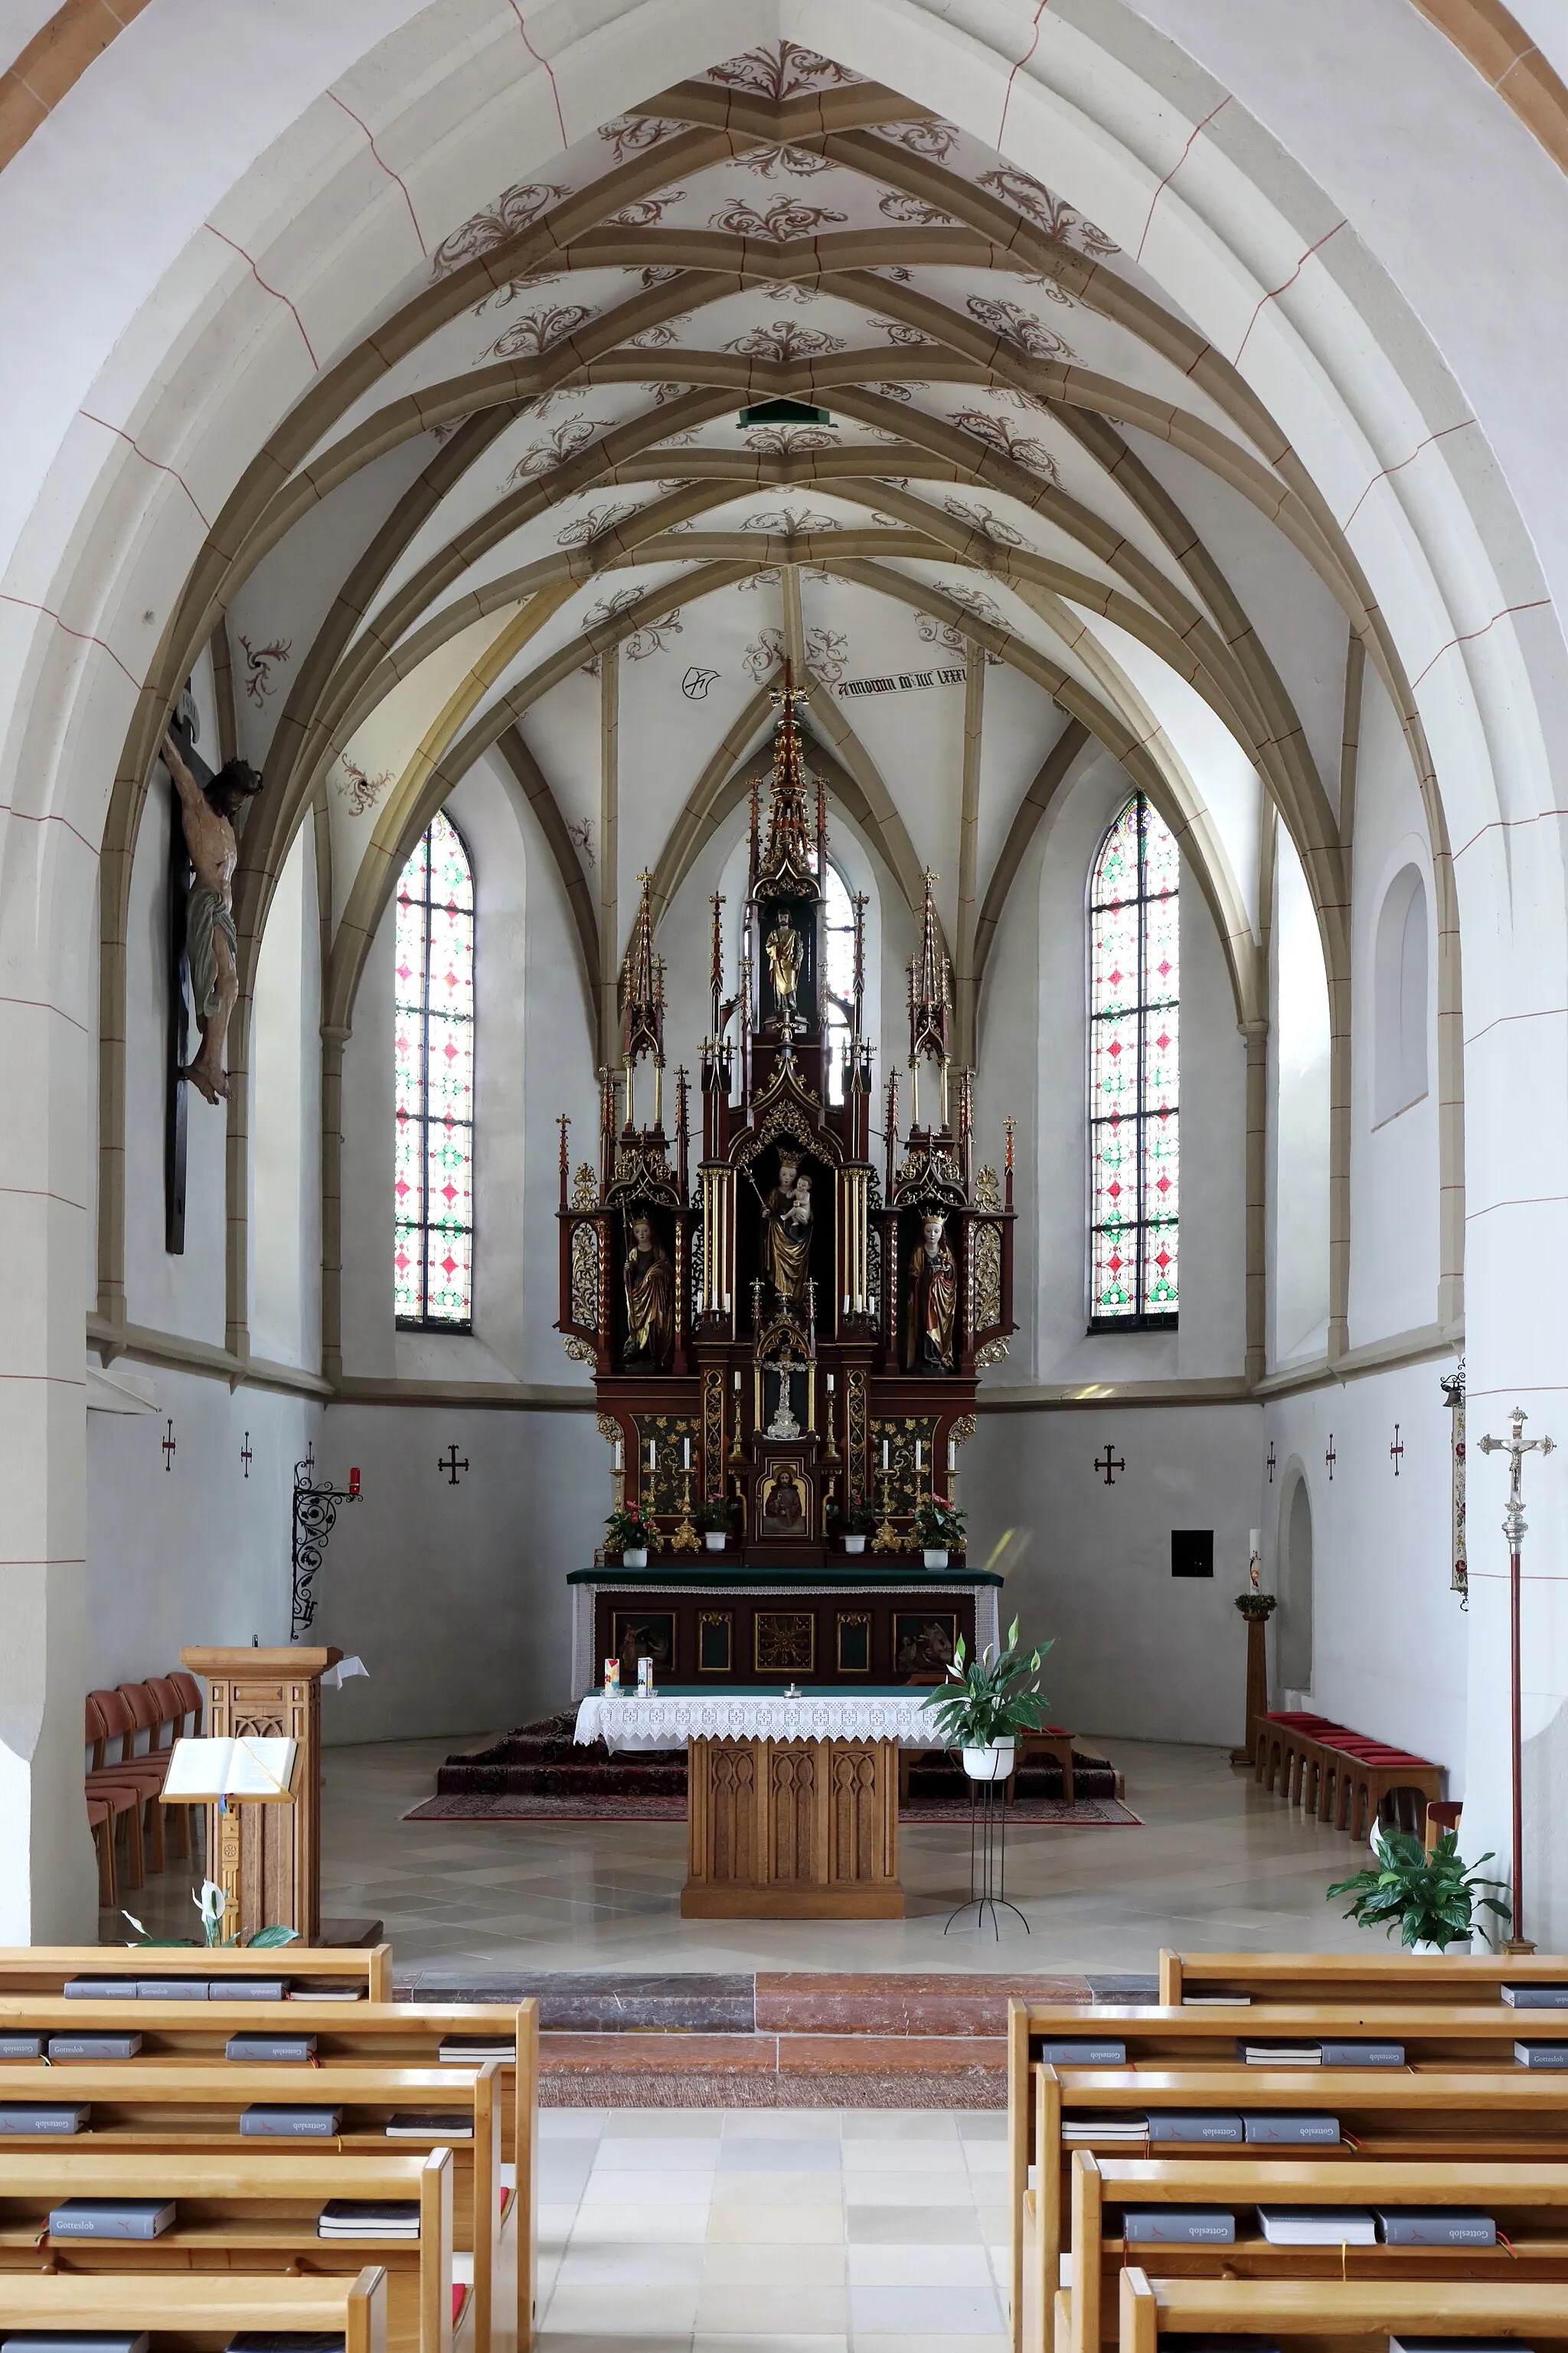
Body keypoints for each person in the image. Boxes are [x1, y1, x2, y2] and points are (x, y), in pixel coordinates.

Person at [162, 731, 263, 1104]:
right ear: (223, 786)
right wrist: (156, 711)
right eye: (235, 796)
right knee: (230, 980)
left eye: (241, 801)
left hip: (225, 915)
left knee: (232, 987)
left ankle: (207, 1061)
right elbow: (175, 763)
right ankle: (210, 1064)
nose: (236, 805)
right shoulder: (197, 805)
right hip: (206, 905)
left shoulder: (226, 827)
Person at [905, 1208, 957, 1371]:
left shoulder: (945, 1251)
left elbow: (952, 1273)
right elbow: (914, 1274)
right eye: (929, 1231)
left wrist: (948, 1269)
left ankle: (938, 1356)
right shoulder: (920, 1251)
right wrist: (912, 1294)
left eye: (936, 1231)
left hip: (941, 1295)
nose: (932, 1235)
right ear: (923, 1232)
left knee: (940, 1324)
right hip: (924, 1295)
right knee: (925, 1323)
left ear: (942, 1233)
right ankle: (925, 1358)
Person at [621, 1211, 674, 1369]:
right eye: (638, 1232)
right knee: (638, 1326)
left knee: (653, 1325)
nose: (642, 1234)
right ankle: (637, 1355)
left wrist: (660, 1273)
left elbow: (668, 1271)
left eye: (645, 1230)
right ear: (634, 1234)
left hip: (655, 1294)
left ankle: (653, 1355)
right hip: (639, 1294)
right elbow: (627, 1279)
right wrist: (628, 1270)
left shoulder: (658, 1251)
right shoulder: (633, 1252)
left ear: (651, 1231)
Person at [761, 1155, 812, 1304]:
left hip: (796, 1236)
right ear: (778, 1174)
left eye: (791, 1175)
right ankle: (778, 1298)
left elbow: (809, 1216)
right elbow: (768, 1210)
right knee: (777, 1267)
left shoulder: (802, 1194)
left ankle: (794, 1300)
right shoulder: (774, 1193)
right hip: (777, 1236)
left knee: (796, 1269)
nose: (787, 1178)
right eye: (784, 1174)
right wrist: (766, 1214)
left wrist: (806, 1221)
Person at [764, 907, 802, 1022]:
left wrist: (797, 961)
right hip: (778, 964)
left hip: (790, 964)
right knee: (778, 987)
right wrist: (777, 947)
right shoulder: (774, 934)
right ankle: (780, 1006)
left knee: (790, 985)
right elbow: (768, 947)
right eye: (781, 917)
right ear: (778, 918)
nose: (783, 919)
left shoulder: (794, 933)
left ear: (788, 918)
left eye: (785, 917)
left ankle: (792, 1006)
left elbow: (799, 949)